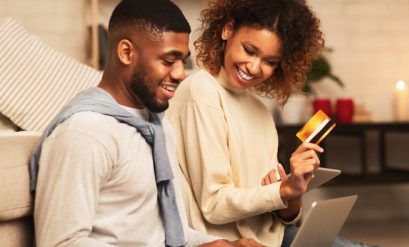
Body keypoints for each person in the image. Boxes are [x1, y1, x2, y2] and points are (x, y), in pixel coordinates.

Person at [29, 0, 263, 246]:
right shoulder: (85, 133)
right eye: (168, 60)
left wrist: (217, 244)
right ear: (126, 53)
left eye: (182, 61)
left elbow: (173, 235)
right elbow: (60, 243)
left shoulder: (158, 127)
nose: (180, 74)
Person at [166, 0, 370, 246]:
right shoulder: (202, 91)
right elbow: (214, 205)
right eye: (250, 50)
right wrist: (282, 191)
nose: (254, 67)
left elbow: (282, 217)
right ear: (227, 29)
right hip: (229, 242)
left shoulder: (260, 111)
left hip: (275, 237)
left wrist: (293, 191)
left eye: (270, 61)